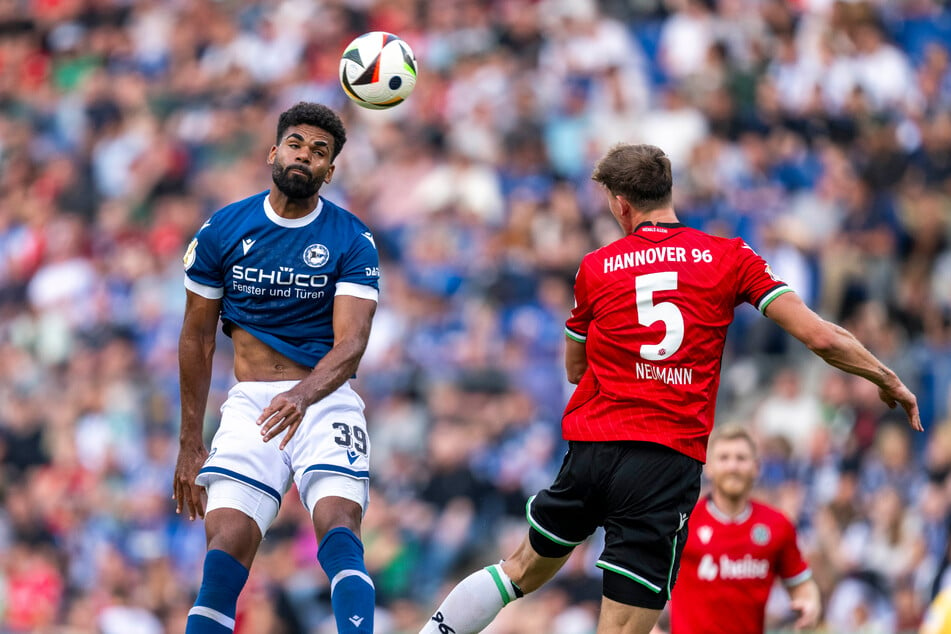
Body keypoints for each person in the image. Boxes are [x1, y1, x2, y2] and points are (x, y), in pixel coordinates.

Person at [418, 143, 920, 634]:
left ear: (621, 204)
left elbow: (574, 369)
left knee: (520, 569)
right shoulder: (730, 256)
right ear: (668, 190)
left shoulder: (595, 266)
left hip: (593, 448)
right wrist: (886, 376)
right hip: (663, 460)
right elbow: (820, 336)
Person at [173, 102, 380, 634]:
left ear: (329, 171)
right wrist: (190, 442)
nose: (304, 156)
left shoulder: (351, 239)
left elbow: (352, 343)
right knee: (225, 548)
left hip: (324, 396)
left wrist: (303, 395)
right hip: (252, 403)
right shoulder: (223, 228)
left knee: (339, 523)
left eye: (319, 152)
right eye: (296, 144)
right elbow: (196, 339)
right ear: (274, 151)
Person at [668, 423, 820, 633]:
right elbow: (644, 581)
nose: (733, 466)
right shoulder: (682, 521)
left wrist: (810, 603)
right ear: (709, 467)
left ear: (756, 467)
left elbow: (801, 583)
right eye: (724, 458)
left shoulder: (777, 525)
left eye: (741, 458)